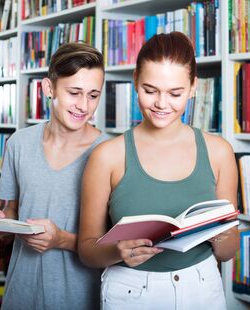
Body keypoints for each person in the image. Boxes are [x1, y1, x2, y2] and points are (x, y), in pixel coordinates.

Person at [78, 32, 240, 309]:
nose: (161, 104)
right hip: (131, 290)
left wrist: (219, 235)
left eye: (175, 93)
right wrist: (117, 251)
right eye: (150, 90)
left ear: (193, 87)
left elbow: (228, 252)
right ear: (135, 82)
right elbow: (86, 251)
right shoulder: (107, 156)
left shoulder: (219, 152)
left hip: (202, 286)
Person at [0, 42, 108, 309]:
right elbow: (12, 212)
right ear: (48, 88)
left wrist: (61, 239)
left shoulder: (110, 152)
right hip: (21, 291)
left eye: (93, 95)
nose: (84, 106)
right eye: (74, 92)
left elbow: (115, 244)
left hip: (79, 296)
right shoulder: (18, 143)